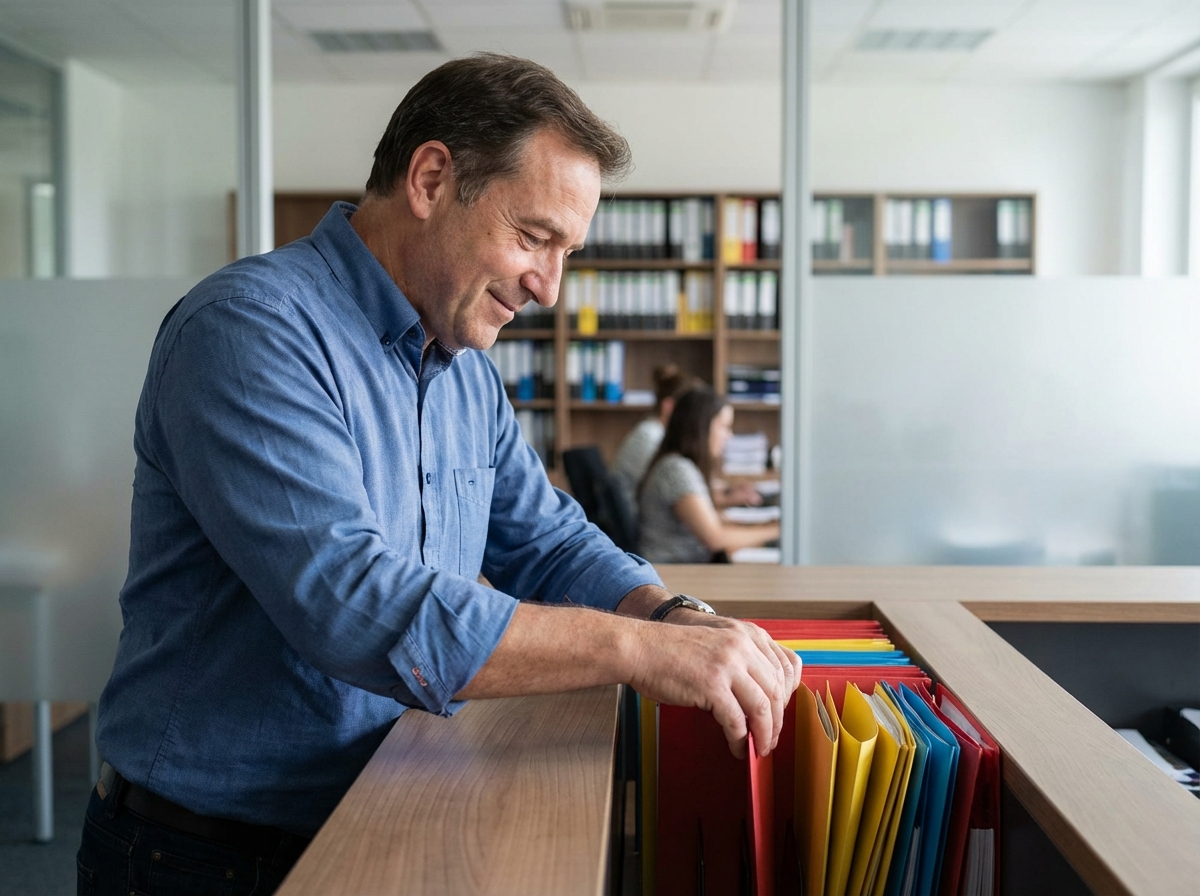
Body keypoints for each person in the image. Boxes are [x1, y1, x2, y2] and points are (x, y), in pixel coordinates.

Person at [77, 53, 799, 896]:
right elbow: (354, 604)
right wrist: (636, 650)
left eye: (566, 252)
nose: (550, 288)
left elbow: (549, 539)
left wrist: (673, 614)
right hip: (205, 856)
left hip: (387, 803)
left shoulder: (461, 370)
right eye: (533, 237)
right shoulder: (248, 331)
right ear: (429, 178)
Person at [637, 386, 781, 563]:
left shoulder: (678, 464)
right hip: (675, 574)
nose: (729, 436)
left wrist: (765, 526)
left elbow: (714, 525)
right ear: (701, 427)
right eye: (724, 427)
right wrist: (777, 529)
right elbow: (715, 538)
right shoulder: (676, 469)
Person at [610, 363, 697, 507]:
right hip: (642, 519)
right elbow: (672, 491)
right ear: (669, 406)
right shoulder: (650, 436)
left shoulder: (655, 431)